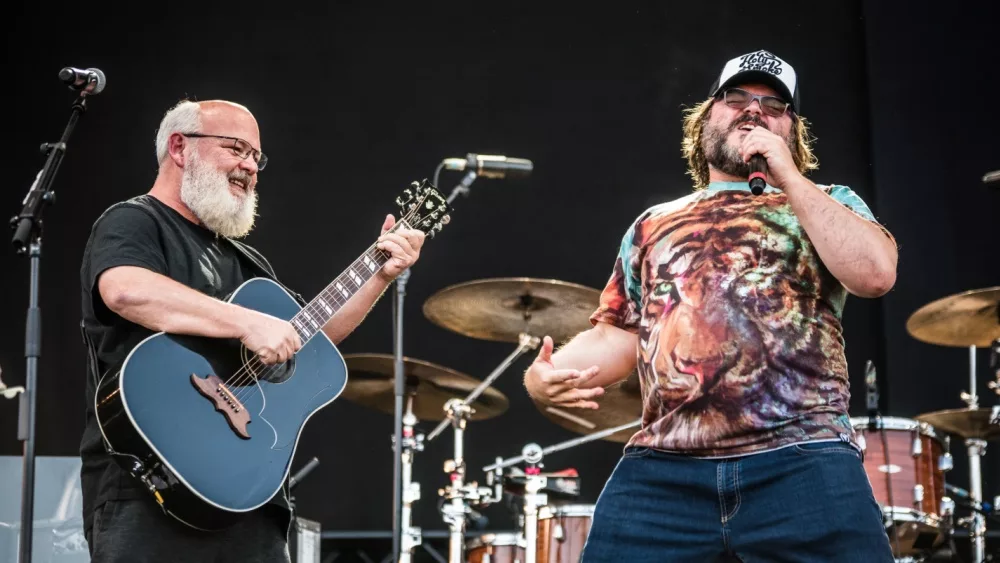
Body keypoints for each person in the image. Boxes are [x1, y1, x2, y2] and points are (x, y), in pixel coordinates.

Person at [524, 49, 898, 562]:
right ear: (706, 118)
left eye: (773, 106)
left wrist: (789, 177)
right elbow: (623, 333)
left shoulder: (825, 202)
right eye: (737, 98)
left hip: (802, 460)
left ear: (792, 132)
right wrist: (546, 377)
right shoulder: (653, 223)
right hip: (665, 470)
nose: (753, 111)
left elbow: (875, 274)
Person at [78, 99, 426, 562]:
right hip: (147, 489)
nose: (249, 166)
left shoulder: (249, 263)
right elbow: (125, 290)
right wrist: (247, 322)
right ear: (179, 147)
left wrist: (381, 271)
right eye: (236, 148)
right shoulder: (135, 221)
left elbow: (309, 340)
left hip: (248, 497)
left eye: (256, 157)